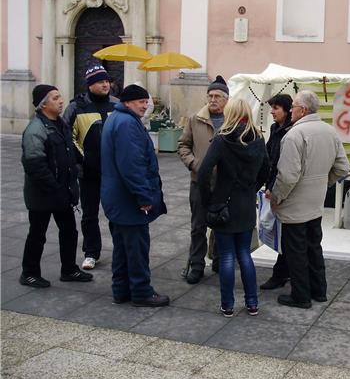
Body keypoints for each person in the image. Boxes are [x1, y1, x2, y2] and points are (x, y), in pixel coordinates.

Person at [270, 90, 349, 309]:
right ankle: (319, 291)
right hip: (315, 203)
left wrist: (276, 197)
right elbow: (343, 168)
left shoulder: (294, 135)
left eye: (293, 106)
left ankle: (301, 296)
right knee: (314, 247)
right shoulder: (330, 131)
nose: (291, 109)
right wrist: (323, 183)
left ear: (302, 110)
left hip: (294, 205)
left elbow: (287, 175)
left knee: (295, 252)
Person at [197, 98, 269, 317]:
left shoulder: (222, 139)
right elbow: (267, 170)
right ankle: (252, 303)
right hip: (246, 204)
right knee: (245, 254)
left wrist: (209, 199)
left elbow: (203, 172)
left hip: (224, 203)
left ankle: (227, 305)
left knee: (227, 256)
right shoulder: (258, 138)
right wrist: (251, 188)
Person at [101, 84, 169, 307]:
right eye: (141, 101)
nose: (145, 105)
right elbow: (132, 166)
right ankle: (141, 293)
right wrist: (144, 197)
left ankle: (121, 290)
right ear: (128, 102)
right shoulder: (127, 123)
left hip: (118, 199)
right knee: (137, 249)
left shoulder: (118, 119)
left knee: (122, 248)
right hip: (129, 201)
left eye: (146, 101)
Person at [20, 84, 93, 287]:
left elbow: (70, 153)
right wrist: (56, 188)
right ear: (43, 104)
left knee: (69, 231)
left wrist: (83, 164)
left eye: (60, 96)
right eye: (55, 98)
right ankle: (29, 273)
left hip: (62, 192)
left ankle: (69, 269)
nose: (61, 101)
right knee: (37, 234)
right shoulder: (36, 129)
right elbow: (34, 166)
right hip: (42, 195)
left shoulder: (60, 124)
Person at [63, 64, 117, 271]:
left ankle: (120, 250)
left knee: (116, 213)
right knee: (89, 214)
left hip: (113, 173)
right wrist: (80, 163)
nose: (105, 84)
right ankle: (91, 252)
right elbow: (68, 137)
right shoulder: (76, 107)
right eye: (100, 81)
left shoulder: (116, 105)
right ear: (90, 85)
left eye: (106, 81)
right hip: (88, 173)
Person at [177, 75, 229, 284]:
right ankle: (196, 265)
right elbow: (183, 145)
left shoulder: (232, 120)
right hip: (199, 181)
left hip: (224, 183)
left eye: (217, 96)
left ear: (226, 99)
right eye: (210, 95)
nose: (212, 99)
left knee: (221, 224)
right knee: (198, 225)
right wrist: (195, 164)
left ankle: (218, 259)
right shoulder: (195, 119)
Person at [260, 93, 293, 290]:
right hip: (273, 185)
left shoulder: (292, 131)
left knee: (286, 233)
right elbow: (268, 155)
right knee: (281, 232)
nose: (272, 112)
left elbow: (284, 165)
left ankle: (280, 274)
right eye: (271, 108)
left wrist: (274, 188)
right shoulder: (275, 128)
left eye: (276, 108)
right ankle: (284, 271)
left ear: (287, 110)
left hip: (284, 188)